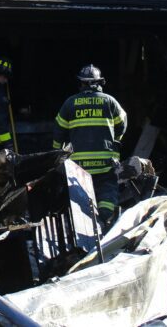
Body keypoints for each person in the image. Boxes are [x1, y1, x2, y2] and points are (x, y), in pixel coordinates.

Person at [53, 64, 128, 226]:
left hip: (79, 166)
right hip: (105, 163)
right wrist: (115, 141)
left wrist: (56, 155)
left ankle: (84, 227)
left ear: (81, 83)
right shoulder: (110, 102)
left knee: (79, 200)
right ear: (100, 82)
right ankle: (105, 220)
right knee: (107, 192)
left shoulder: (70, 103)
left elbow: (59, 131)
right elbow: (122, 124)